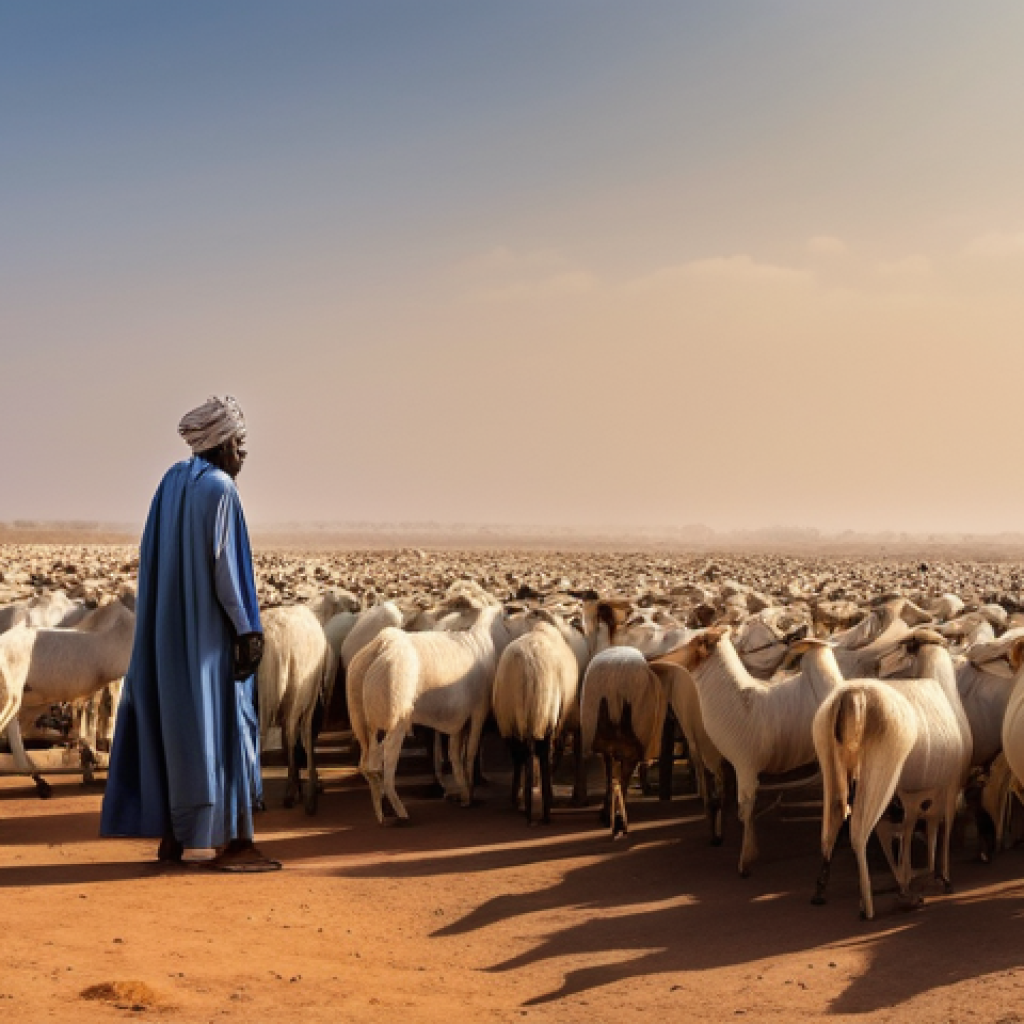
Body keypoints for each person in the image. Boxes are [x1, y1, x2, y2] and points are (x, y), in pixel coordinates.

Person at [101, 395, 279, 871]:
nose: (243, 453)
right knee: (224, 725)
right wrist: (247, 629)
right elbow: (227, 569)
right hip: (208, 638)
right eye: (239, 443)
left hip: (167, 633)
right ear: (222, 443)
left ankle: (174, 836)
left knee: (174, 724)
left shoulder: (171, 481)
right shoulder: (220, 489)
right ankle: (232, 841)